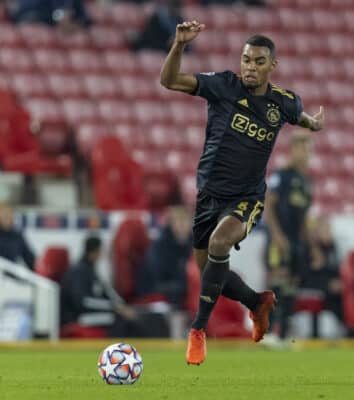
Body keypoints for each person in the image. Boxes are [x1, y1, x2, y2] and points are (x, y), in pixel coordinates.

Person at [159, 21, 324, 365]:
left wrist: (313, 122)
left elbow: (301, 117)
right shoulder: (224, 85)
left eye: (258, 62)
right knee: (209, 270)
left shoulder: (284, 103)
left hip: (247, 198)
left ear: (272, 66)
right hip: (208, 196)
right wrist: (179, 45)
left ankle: (197, 331)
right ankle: (256, 302)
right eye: (246, 60)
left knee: (220, 245)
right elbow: (169, 81)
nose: (250, 67)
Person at [263, 130, 313, 339]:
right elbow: (269, 206)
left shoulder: (306, 181)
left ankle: (283, 334)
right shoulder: (281, 175)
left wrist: (311, 245)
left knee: (292, 285)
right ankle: (268, 331)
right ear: (292, 150)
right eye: (300, 147)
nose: (304, 152)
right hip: (279, 239)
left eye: (307, 148)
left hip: (296, 241)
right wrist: (277, 236)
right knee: (278, 283)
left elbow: (303, 218)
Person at [60, 236, 140, 336]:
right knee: (118, 319)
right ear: (94, 251)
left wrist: (120, 305)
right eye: (101, 251)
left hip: (88, 314)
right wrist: (114, 307)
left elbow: (106, 293)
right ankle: (114, 350)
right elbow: (83, 301)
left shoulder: (91, 270)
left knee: (125, 316)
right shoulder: (79, 272)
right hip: (77, 317)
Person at [136, 206, 193, 308]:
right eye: (178, 221)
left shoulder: (195, 243)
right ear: (170, 224)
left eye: (185, 220)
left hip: (182, 290)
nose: (182, 224)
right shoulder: (160, 246)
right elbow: (157, 280)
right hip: (157, 292)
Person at [0, 202, 35, 270]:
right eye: (5, 214)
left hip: (12, 275)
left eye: (10, 213)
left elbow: (30, 259)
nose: (8, 217)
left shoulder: (17, 236)